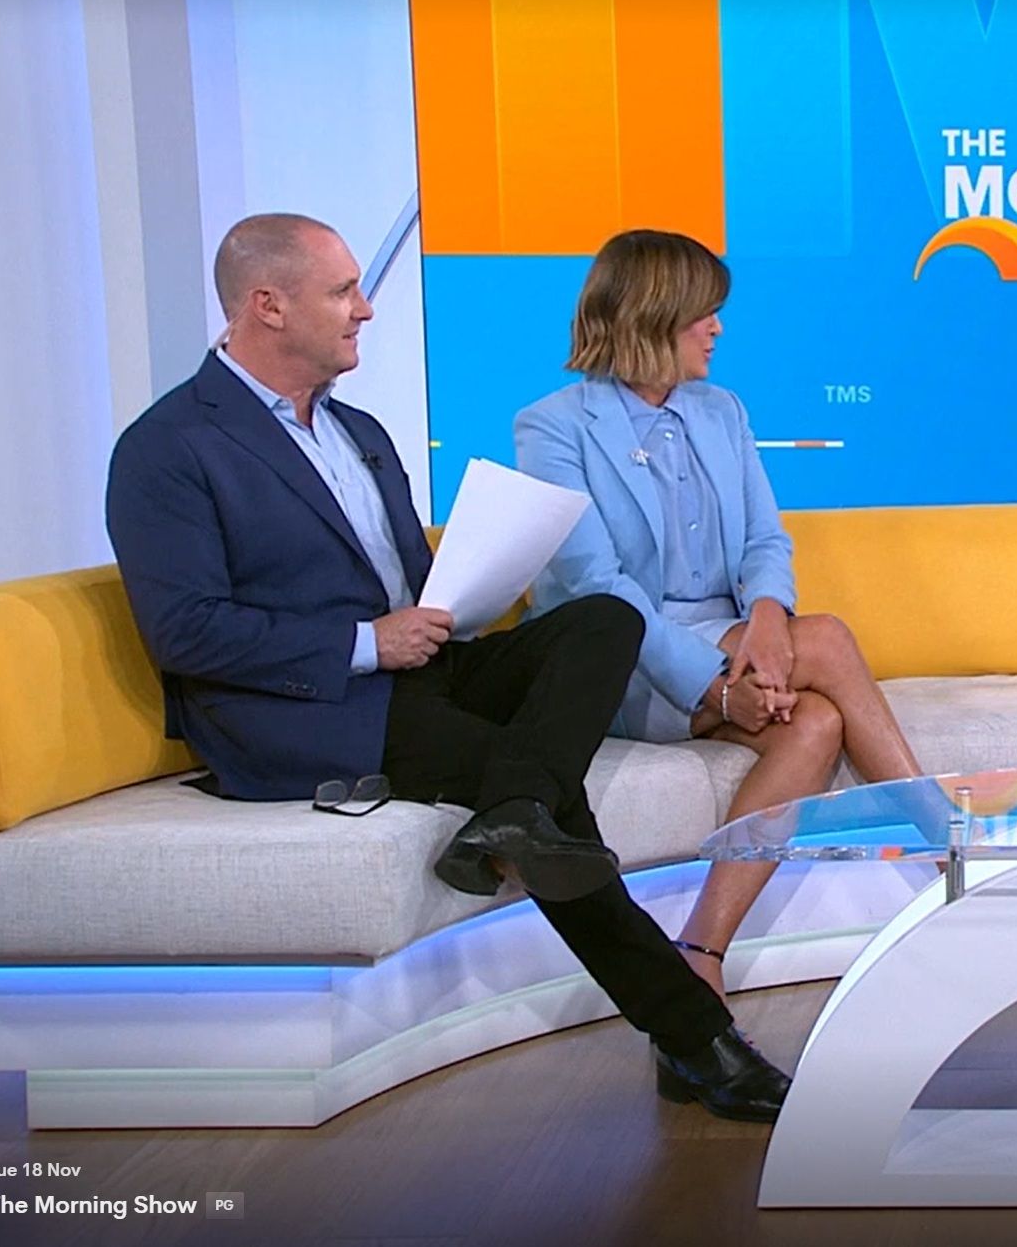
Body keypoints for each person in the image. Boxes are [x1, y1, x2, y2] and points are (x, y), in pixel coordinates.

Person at [105, 213, 788, 1119]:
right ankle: (696, 1039)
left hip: (418, 670)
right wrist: (367, 643)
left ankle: (514, 809)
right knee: (539, 796)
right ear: (267, 305)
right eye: (343, 291)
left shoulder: (356, 430)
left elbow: (402, 584)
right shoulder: (168, 447)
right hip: (304, 706)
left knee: (604, 619)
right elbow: (186, 632)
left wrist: (463, 590)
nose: (366, 308)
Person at [514, 228, 925, 999]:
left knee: (816, 723)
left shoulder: (721, 410)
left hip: (736, 638)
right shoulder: (553, 427)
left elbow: (765, 539)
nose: (717, 328)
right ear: (652, 315)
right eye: (702, 312)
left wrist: (768, 616)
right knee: (826, 640)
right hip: (624, 656)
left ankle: (700, 950)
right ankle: (948, 845)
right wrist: (712, 682)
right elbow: (598, 586)